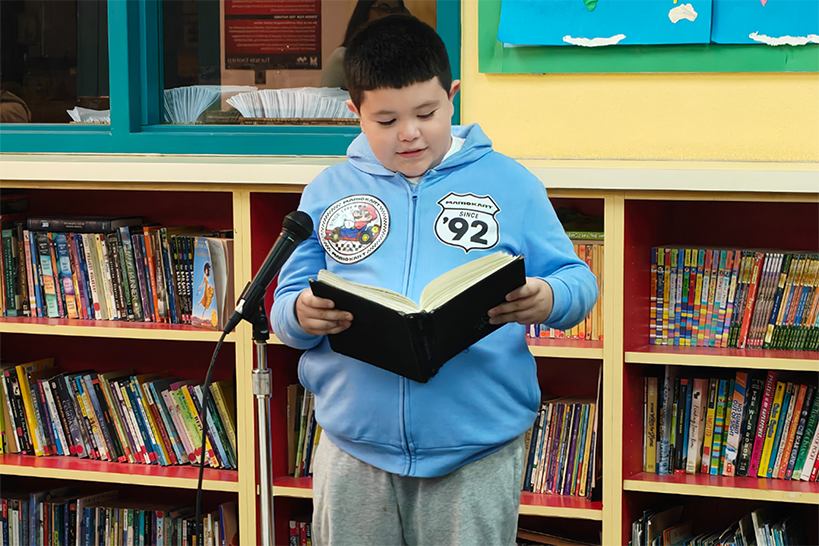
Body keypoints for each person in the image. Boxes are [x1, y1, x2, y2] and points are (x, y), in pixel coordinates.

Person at [271, 15, 598, 546]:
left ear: (453, 98)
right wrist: (299, 315)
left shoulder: (510, 183)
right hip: (353, 448)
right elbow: (287, 304)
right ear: (354, 114)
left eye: (426, 113)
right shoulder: (328, 190)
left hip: (476, 453)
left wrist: (550, 297)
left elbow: (577, 279)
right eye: (384, 120)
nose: (409, 133)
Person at [320, 0, 408, 89]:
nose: (390, 16)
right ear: (365, 11)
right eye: (383, 8)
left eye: (396, 11)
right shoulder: (342, 57)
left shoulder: (402, 59)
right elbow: (324, 100)